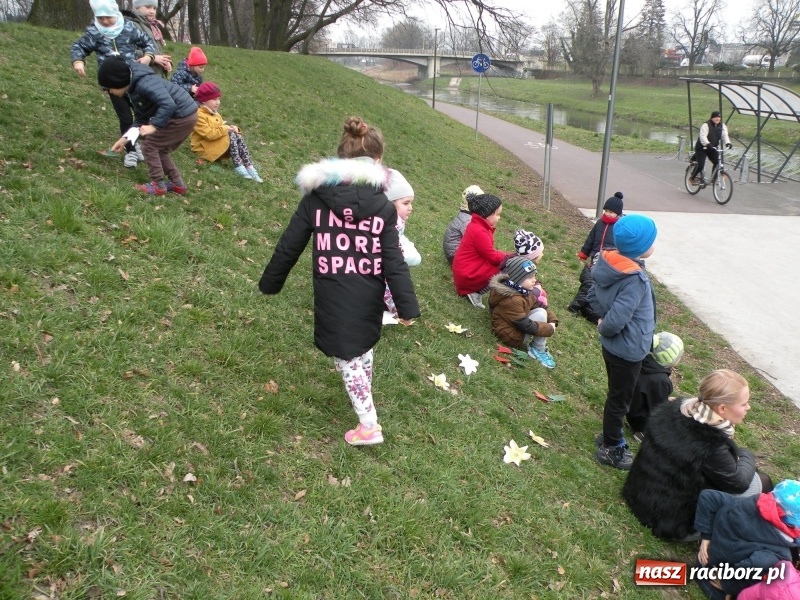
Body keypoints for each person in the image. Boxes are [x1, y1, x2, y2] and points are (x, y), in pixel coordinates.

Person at [258, 116, 420, 446]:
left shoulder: (316, 200)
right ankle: (365, 391)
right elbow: (394, 262)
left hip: (334, 294)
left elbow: (290, 244)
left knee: (346, 358)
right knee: (361, 348)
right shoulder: (382, 209)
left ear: (339, 161)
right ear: (377, 162)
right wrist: (406, 306)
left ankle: (369, 425)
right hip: (368, 293)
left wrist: (271, 281)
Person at [622, 369, 769, 543]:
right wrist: (746, 453)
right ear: (722, 408)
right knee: (762, 481)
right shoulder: (709, 443)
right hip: (673, 522)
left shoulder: (674, 409)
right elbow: (738, 484)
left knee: (746, 471)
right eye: (744, 404)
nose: (748, 407)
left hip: (639, 495)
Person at [588, 214, 657, 470]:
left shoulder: (612, 263)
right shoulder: (633, 280)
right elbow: (617, 318)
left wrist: (601, 318)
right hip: (628, 350)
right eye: (652, 240)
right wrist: (605, 325)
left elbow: (594, 293)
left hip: (616, 348)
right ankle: (612, 446)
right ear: (641, 248)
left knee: (617, 395)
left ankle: (609, 433)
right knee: (619, 400)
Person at [70, 0, 156, 169]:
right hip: (113, 86)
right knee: (125, 117)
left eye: (108, 17)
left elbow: (147, 42)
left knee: (142, 115)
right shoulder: (94, 31)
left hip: (133, 81)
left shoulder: (128, 28)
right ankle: (131, 150)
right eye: (101, 18)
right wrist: (78, 61)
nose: (105, 21)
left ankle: (145, 144)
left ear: (115, 13)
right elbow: (79, 46)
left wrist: (148, 57)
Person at [99, 56, 198, 196]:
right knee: (160, 149)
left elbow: (168, 104)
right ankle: (178, 185)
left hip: (182, 115)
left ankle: (158, 185)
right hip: (184, 115)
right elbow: (142, 117)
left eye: (109, 88)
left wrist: (154, 127)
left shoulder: (144, 83)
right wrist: (125, 139)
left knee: (149, 145)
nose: (110, 92)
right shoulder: (134, 88)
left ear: (119, 81)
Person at [692, 481, 800, 599]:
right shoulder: (780, 554)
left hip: (704, 559)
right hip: (714, 581)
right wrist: (727, 585)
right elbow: (756, 564)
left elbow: (708, 497)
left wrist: (706, 537)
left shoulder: (743, 504)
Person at [487, 256, 558, 368]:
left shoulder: (522, 291)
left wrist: (553, 320)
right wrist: (549, 329)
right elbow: (525, 325)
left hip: (515, 326)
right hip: (510, 335)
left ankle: (538, 347)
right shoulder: (512, 300)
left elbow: (540, 305)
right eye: (530, 277)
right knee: (540, 315)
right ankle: (538, 349)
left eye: (534, 276)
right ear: (517, 279)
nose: (534, 280)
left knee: (541, 311)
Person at [190, 82, 264, 183]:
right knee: (230, 134)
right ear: (203, 101)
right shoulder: (199, 115)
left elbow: (220, 128)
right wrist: (226, 129)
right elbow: (209, 135)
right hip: (202, 148)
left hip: (213, 146)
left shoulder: (215, 113)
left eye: (219, 99)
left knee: (235, 134)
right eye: (214, 99)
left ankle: (248, 166)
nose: (218, 102)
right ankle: (238, 165)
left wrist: (234, 128)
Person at [452, 193, 515, 309]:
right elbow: (492, 257)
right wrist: (510, 256)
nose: (499, 218)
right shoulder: (480, 231)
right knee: (503, 267)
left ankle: (476, 291)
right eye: (498, 214)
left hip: (464, 269)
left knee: (501, 264)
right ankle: (475, 293)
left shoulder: (477, 225)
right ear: (487, 215)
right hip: (467, 274)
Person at [567, 192, 623, 323]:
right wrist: (584, 252)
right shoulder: (599, 223)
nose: (608, 214)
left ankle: (587, 307)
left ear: (618, 214)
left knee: (595, 286)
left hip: (608, 262)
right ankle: (576, 306)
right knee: (590, 283)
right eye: (606, 211)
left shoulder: (619, 227)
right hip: (595, 258)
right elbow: (591, 238)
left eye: (611, 212)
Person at [625, 331, 683, 443]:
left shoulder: (642, 363)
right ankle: (644, 434)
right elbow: (659, 409)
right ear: (669, 359)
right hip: (641, 421)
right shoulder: (661, 380)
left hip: (630, 409)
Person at [382, 169, 420, 323]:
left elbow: (399, 236)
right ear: (390, 204)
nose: (410, 207)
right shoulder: (389, 224)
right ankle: (392, 306)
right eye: (405, 203)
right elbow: (390, 274)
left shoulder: (396, 221)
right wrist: (397, 306)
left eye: (410, 202)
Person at [124, 0, 172, 79]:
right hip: (141, 77)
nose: (152, 11)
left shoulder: (152, 27)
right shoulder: (131, 25)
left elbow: (157, 51)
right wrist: (153, 58)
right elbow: (129, 51)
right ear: (136, 7)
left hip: (156, 75)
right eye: (148, 7)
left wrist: (165, 62)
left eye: (154, 8)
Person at [443, 185, 483, 265]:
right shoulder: (467, 220)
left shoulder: (464, 215)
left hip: (452, 253)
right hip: (455, 256)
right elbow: (472, 240)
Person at [691, 111, 732, 185]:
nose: (717, 118)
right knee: (701, 165)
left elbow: (724, 135)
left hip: (712, 148)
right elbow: (702, 136)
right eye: (716, 117)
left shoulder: (722, 126)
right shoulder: (706, 125)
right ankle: (692, 178)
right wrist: (707, 144)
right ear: (712, 118)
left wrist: (728, 143)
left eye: (719, 117)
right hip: (702, 148)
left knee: (717, 163)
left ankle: (714, 179)